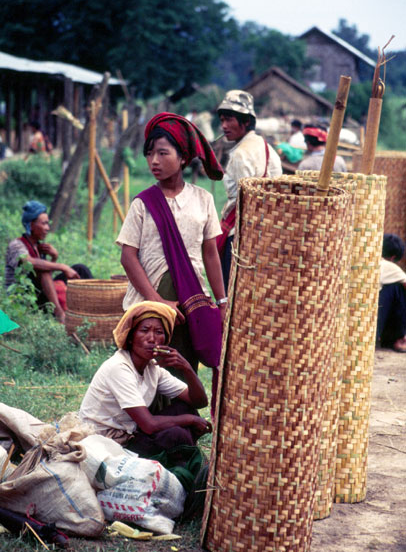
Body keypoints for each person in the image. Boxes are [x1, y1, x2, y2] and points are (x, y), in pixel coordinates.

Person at [117, 112, 226, 374]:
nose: (154, 161)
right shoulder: (143, 203)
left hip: (191, 300)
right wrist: (157, 301)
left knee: (182, 367)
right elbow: (128, 257)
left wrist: (222, 302)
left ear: (183, 158)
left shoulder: (203, 200)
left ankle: (184, 414)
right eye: (150, 154)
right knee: (146, 368)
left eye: (163, 153)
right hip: (149, 300)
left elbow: (210, 254)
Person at [79, 301, 212, 457]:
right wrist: (190, 420)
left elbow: (199, 402)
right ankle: (181, 461)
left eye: (159, 332)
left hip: (131, 434)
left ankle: (180, 458)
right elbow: (149, 425)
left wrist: (186, 368)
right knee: (176, 434)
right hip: (108, 443)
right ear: (130, 337)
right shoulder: (119, 368)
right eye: (144, 330)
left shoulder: (152, 369)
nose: (152, 339)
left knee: (186, 408)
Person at [216, 90, 282, 290]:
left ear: (245, 122)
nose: (224, 126)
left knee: (234, 294)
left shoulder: (241, 155)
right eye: (222, 120)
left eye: (229, 120)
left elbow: (246, 201)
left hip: (241, 237)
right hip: (267, 233)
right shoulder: (267, 148)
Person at [5, 201, 92, 324]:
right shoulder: (16, 245)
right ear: (31, 225)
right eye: (44, 223)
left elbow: (47, 281)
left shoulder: (40, 247)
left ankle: (91, 308)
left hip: (40, 294)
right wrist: (62, 266)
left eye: (48, 223)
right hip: (24, 298)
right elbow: (28, 262)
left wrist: (54, 258)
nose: (47, 228)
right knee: (43, 269)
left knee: (80, 269)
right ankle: (60, 315)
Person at [377, 234, 406, 352]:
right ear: (393, 258)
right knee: (398, 288)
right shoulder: (388, 266)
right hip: (376, 325)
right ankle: (399, 339)